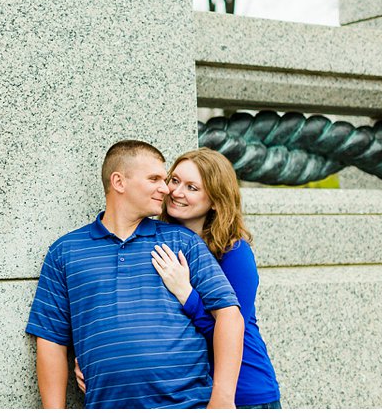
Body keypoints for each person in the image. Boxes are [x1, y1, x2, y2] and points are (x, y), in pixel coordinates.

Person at [26, 140, 244, 409]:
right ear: (119, 182)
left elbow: (229, 315)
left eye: (165, 179)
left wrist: (222, 400)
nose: (166, 189)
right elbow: (50, 340)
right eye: (155, 179)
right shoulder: (65, 252)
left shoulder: (182, 241)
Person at [76, 147, 281, 409]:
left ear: (216, 200)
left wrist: (186, 294)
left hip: (243, 390)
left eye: (192, 187)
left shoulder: (234, 252)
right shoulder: (160, 241)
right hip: (193, 392)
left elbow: (232, 327)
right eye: (174, 181)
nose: (176, 192)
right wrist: (93, 352)